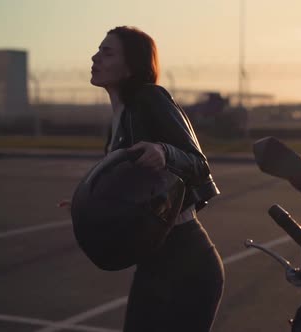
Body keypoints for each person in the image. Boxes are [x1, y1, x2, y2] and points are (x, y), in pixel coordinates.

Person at [89, 26, 224, 331]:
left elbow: (198, 164)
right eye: (98, 50)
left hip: (187, 259)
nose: (95, 57)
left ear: (132, 65)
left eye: (107, 52)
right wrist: (89, 202)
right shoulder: (118, 121)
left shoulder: (151, 98)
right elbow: (133, 191)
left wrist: (165, 151)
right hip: (154, 258)